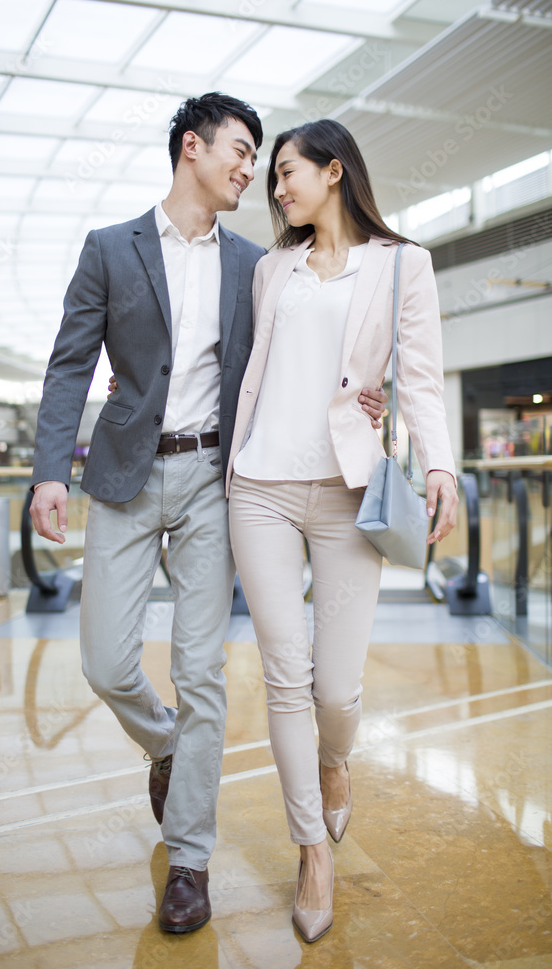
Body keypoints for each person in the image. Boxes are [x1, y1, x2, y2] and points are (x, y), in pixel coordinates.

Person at [30, 95, 387, 935]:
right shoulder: (108, 250)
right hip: (123, 473)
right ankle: (165, 746)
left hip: (214, 481)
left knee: (202, 671)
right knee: (105, 664)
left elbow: (313, 339)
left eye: (259, 156)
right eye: (236, 150)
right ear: (190, 148)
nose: (248, 169)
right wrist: (50, 472)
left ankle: (189, 860)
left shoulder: (255, 265)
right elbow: (68, 365)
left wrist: (362, 388)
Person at [226, 119, 458, 943]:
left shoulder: (403, 266)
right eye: (270, 180)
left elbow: (420, 379)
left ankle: (334, 758)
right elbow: (254, 372)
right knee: (284, 675)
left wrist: (440, 466)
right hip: (259, 485)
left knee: (335, 690)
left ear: (333, 171)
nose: (276, 189)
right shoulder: (269, 268)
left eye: (286, 173)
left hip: (347, 489)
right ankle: (309, 852)